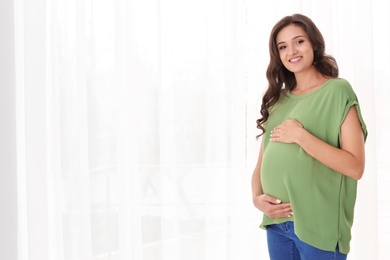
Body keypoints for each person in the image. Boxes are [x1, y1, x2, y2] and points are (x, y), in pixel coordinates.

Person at [251, 14, 367, 259]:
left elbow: (355, 167)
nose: (291, 51)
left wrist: (301, 136)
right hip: (277, 224)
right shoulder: (277, 100)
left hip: (318, 224)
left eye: (299, 41)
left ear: (314, 44)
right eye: (282, 47)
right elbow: (261, 163)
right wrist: (256, 199)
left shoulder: (337, 91)